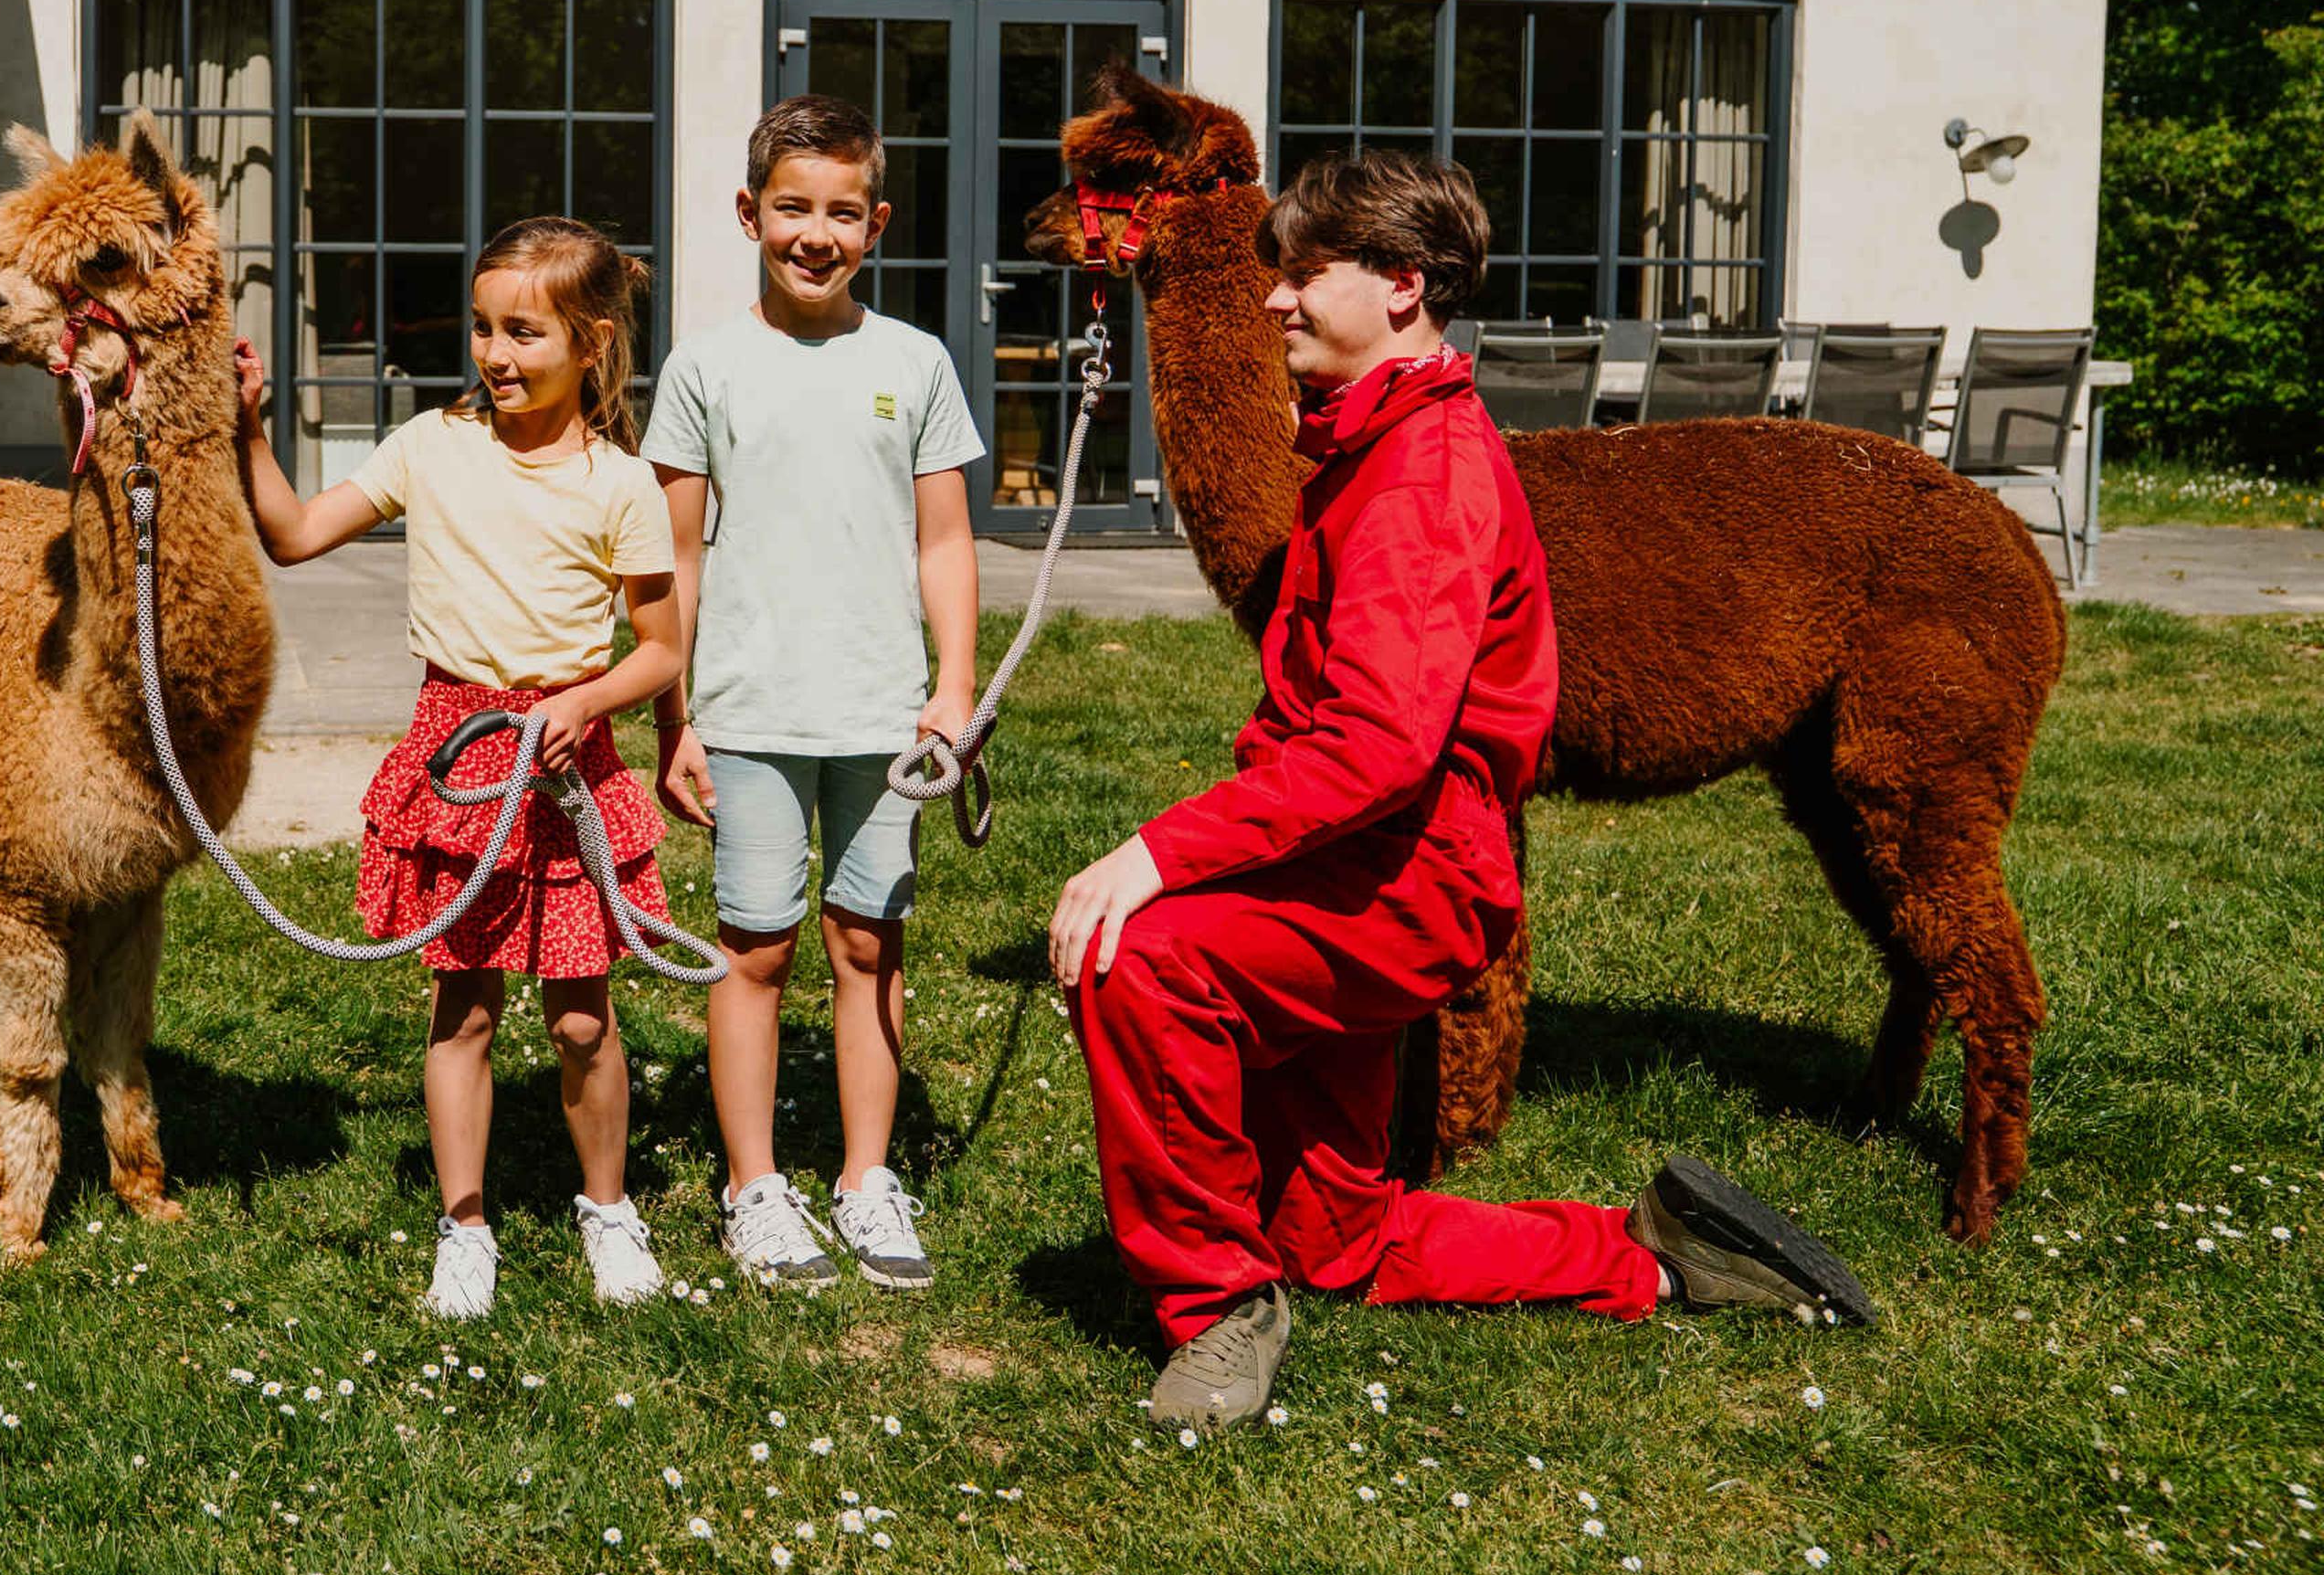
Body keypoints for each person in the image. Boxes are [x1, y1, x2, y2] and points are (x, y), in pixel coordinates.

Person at [1047, 149, 1875, 1430]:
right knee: (1340, 1242)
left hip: (1406, 878)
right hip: (1360, 856)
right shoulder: (1370, 446)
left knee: (1142, 963)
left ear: (1401, 286)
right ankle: (1655, 1254)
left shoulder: (1421, 477)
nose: (1274, 300)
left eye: (1304, 274)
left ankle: (1214, 1308)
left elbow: (1379, 747)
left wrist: (1159, 855)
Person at [233, 215, 683, 1321]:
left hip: (567, 755)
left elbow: (665, 650)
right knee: (464, 1009)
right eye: (483, 328)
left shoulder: (622, 485)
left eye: (523, 332)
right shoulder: (429, 445)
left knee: (583, 1019)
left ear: (589, 342)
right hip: (458, 748)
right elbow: (291, 534)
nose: (495, 353)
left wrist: (587, 699)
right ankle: (465, 1225)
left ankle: (607, 1210)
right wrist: (246, 430)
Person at [646, 94, 984, 1294]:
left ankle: (865, 1178)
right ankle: (753, 1187)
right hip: (747, 711)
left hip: (886, 716)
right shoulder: (706, 366)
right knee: (754, 946)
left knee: (868, 943)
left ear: (877, 224)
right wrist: (674, 717)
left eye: (844, 212)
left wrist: (953, 686)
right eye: (793, 208)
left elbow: (943, 543)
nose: (816, 233)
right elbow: (675, 559)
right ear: (749, 214)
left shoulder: (915, 364)